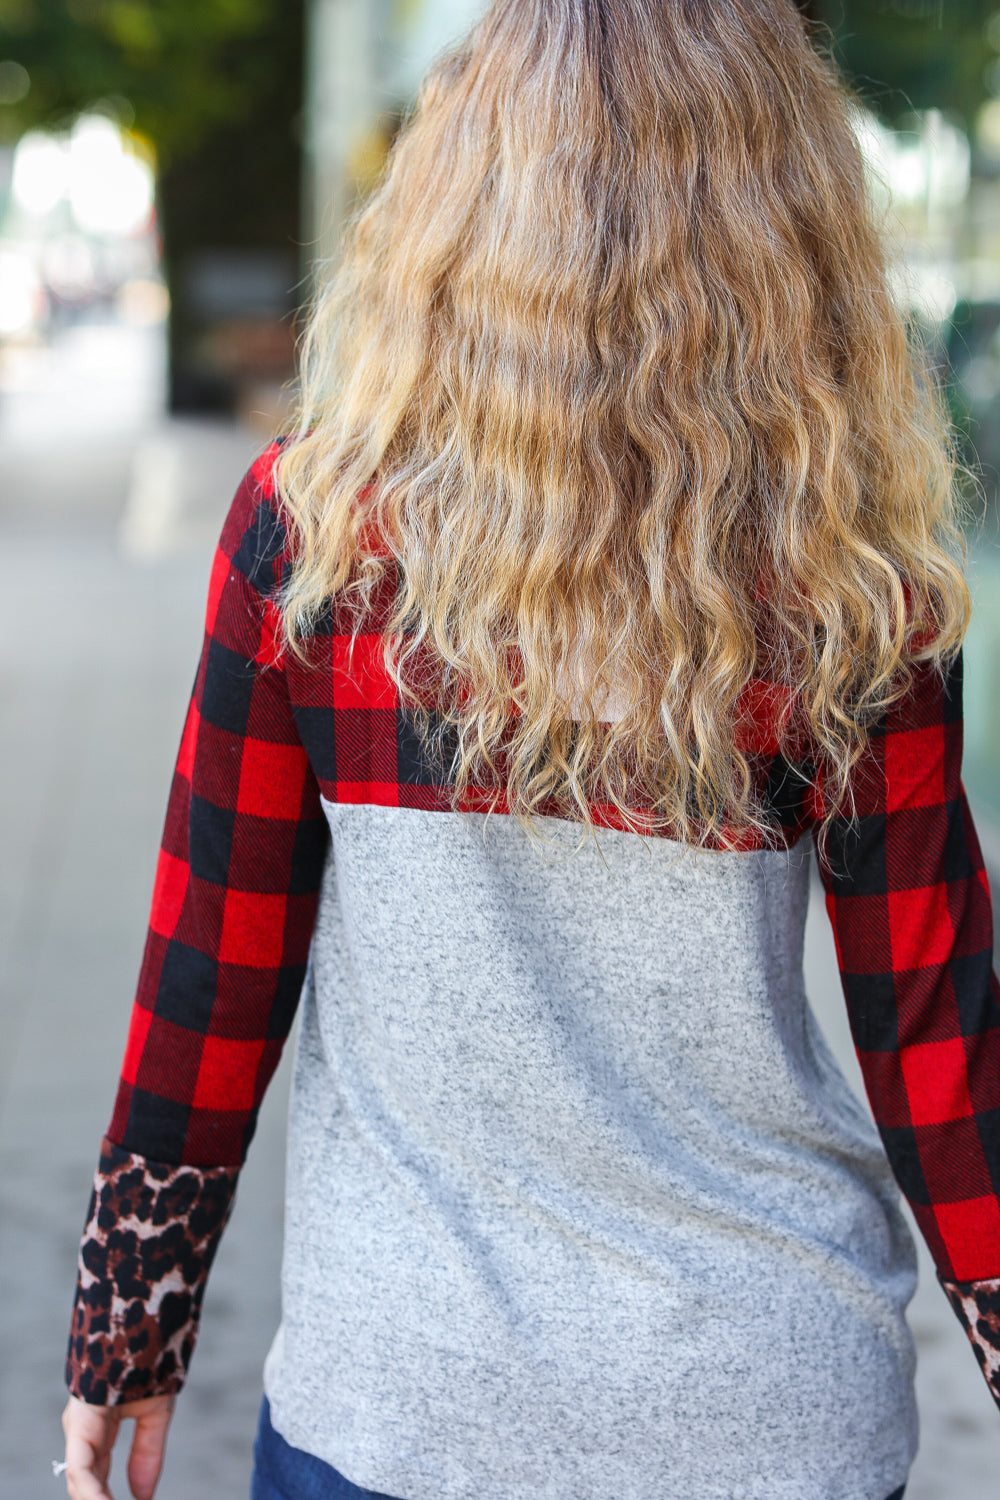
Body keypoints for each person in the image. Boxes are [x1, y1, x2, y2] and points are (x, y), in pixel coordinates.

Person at [60, 2, 1000, 1497]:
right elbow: (940, 1035)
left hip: (403, 1407)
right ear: (789, 225)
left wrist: (128, 1335)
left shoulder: (317, 548)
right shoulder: (844, 584)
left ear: (456, 206)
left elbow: (211, 976)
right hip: (767, 1406)